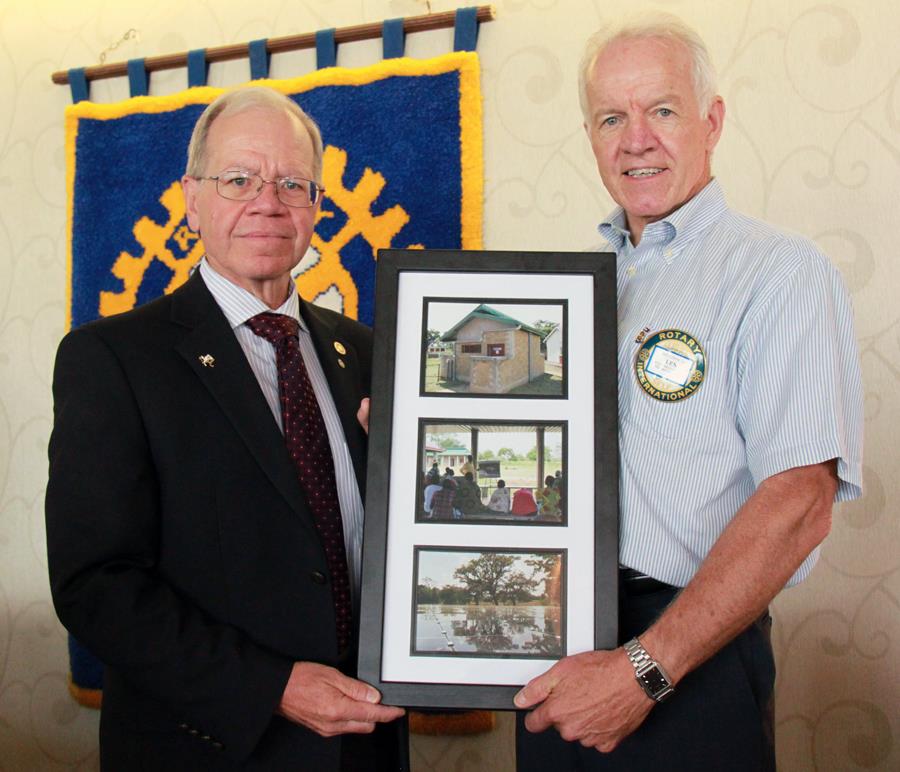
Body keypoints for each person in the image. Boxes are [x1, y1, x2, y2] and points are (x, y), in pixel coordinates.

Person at [514, 15, 862, 771]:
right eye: (612, 118)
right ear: (590, 136)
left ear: (712, 121)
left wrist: (643, 672)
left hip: (688, 659)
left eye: (662, 110)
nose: (636, 139)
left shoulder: (779, 274)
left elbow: (800, 501)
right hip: (555, 654)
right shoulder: (560, 296)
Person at [45, 86, 406, 771]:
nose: (268, 203)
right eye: (239, 179)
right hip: (213, 748)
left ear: (316, 205)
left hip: (367, 742)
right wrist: (273, 688)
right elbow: (97, 584)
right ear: (192, 199)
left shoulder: (370, 353)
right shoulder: (112, 359)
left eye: (292, 184)